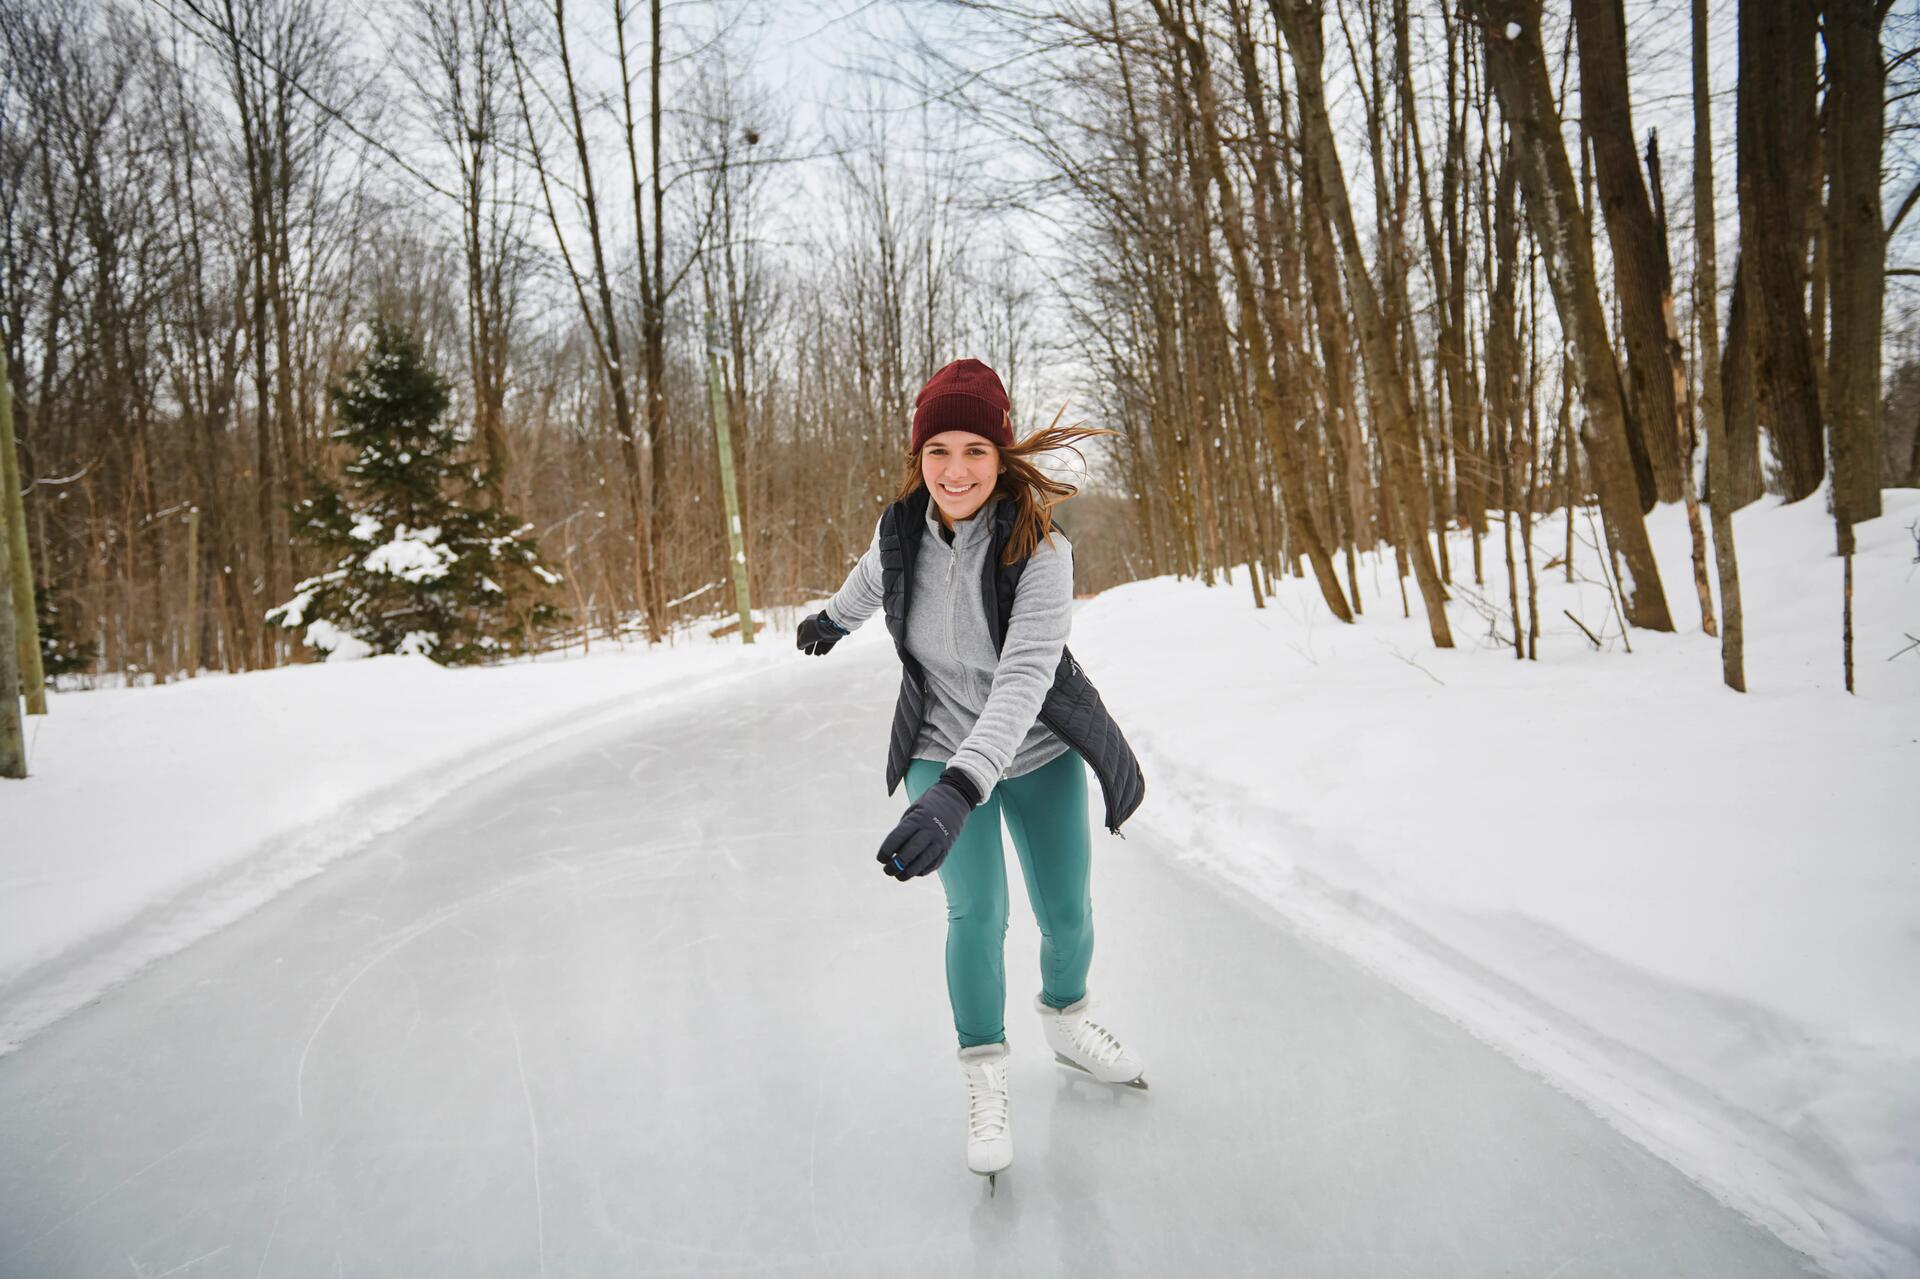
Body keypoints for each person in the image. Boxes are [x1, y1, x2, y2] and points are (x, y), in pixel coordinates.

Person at [794, 357, 1148, 1190]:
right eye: (938, 450)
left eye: (975, 451)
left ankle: (1068, 1018)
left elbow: (1025, 681)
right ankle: (984, 1068)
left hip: (1035, 749)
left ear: (1002, 455)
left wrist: (964, 788)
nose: (955, 470)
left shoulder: (1041, 551)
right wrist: (833, 621)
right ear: (918, 456)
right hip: (934, 742)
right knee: (977, 912)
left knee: (1067, 910)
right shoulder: (900, 533)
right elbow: (870, 581)